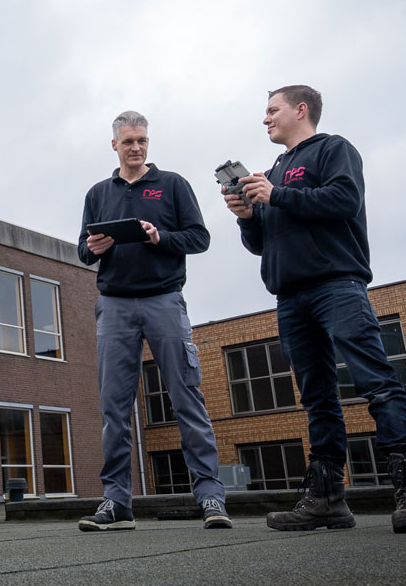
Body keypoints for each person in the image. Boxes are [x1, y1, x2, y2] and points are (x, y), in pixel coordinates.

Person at [222, 85, 406, 533]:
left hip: (336, 285)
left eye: (272, 111)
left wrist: (276, 195)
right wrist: (248, 216)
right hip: (290, 296)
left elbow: (343, 201)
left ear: (300, 110)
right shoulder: (273, 172)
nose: (265, 119)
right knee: (318, 399)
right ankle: (326, 500)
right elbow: (262, 243)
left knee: (376, 383)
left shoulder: (333, 150)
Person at [76, 110, 230, 532]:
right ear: (114, 145)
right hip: (115, 306)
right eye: (128, 141)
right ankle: (117, 502)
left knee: (187, 399)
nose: (136, 147)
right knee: (114, 408)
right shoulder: (97, 193)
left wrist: (160, 236)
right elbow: (83, 251)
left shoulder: (173, 185)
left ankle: (212, 498)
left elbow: (199, 238)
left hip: (164, 300)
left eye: (142, 140)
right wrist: (94, 246)